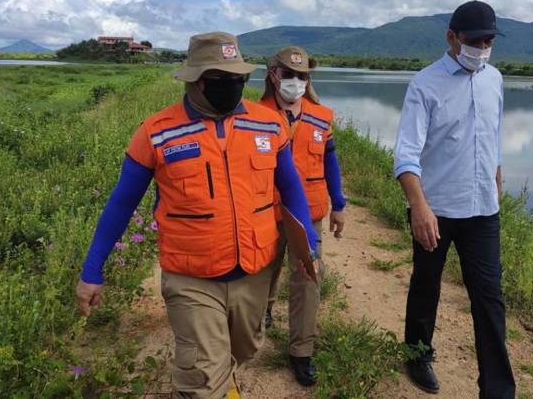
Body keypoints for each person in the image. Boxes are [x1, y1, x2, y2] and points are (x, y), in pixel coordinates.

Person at [76, 32, 319, 399]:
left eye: (239, 79)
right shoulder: (157, 133)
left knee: (245, 349)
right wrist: (92, 270)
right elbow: (121, 205)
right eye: (222, 81)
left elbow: (291, 188)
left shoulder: (268, 124)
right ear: (194, 79)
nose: (233, 87)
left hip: (254, 272)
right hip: (191, 277)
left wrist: (308, 247)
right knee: (202, 377)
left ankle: (227, 375)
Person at [393, 1, 515, 398]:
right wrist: (419, 207)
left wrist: (495, 173)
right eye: (474, 41)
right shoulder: (425, 85)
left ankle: (497, 388)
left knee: (489, 298)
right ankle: (417, 352)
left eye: (488, 41)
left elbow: (492, 133)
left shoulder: (494, 79)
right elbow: (406, 154)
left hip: (483, 210)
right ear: (451, 37)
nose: (482, 48)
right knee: (426, 283)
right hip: (437, 209)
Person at [258, 46, 346, 386]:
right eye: (288, 74)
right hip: (264, 210)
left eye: (302, 75)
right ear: (273, 74)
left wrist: (338, 204)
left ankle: (301, 351)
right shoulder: (253, 114)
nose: (295, 81)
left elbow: (331, 162)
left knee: (308, 278)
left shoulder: (321, 115)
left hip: (307, 213)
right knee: (263, 271)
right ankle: (261, 311)